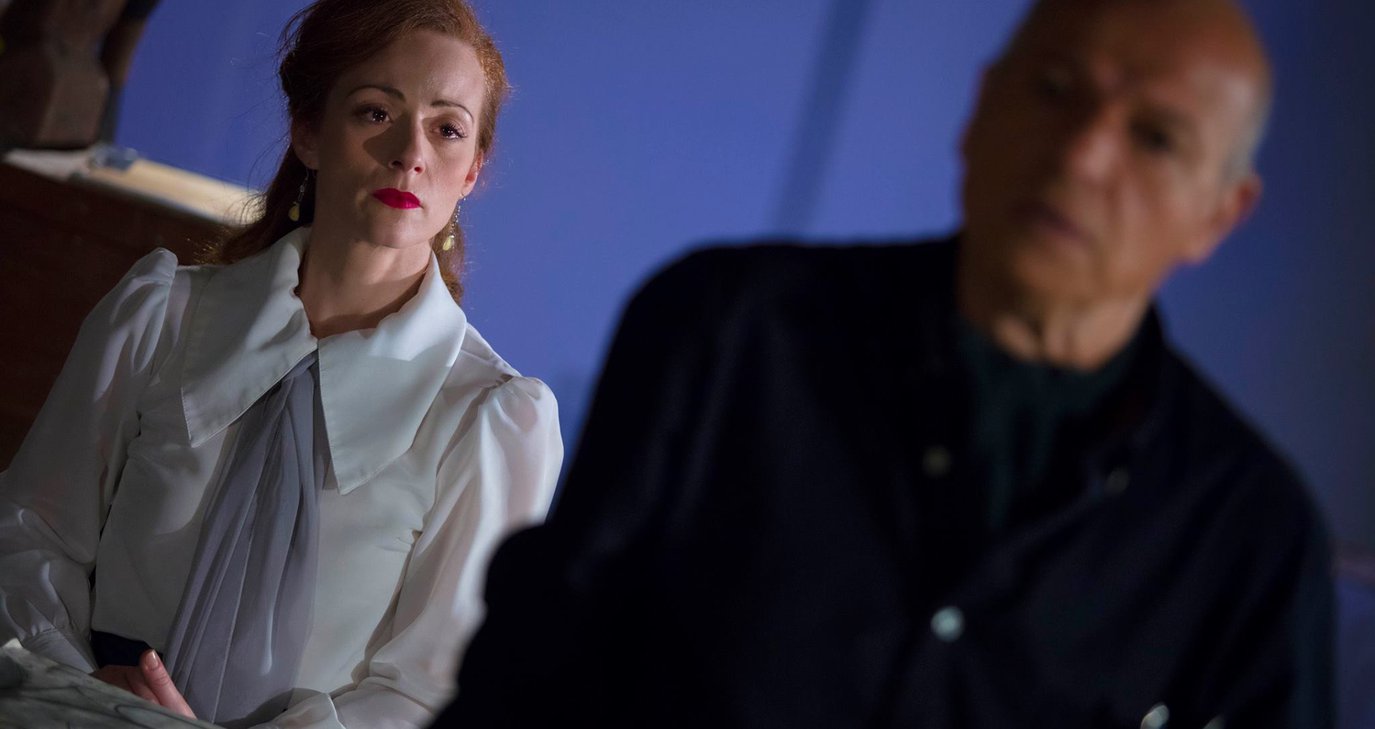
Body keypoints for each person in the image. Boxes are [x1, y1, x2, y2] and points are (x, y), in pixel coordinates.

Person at [436, 0, 1333, 727]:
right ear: (980, 105)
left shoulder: (1250, 535)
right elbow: (528, 676)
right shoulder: (731, 328)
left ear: (1219, 214)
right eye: (1055, 89)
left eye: (1156, 139)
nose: (1082, 153)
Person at [0, 0, 562, 726]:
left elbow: (435, 689)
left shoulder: (489, 417)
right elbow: (31, 534)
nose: (410, 152)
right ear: (308, 131)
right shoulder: (161, 317)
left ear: (472, 171)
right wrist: (94, 697)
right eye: (375, 112)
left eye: (447, 128)